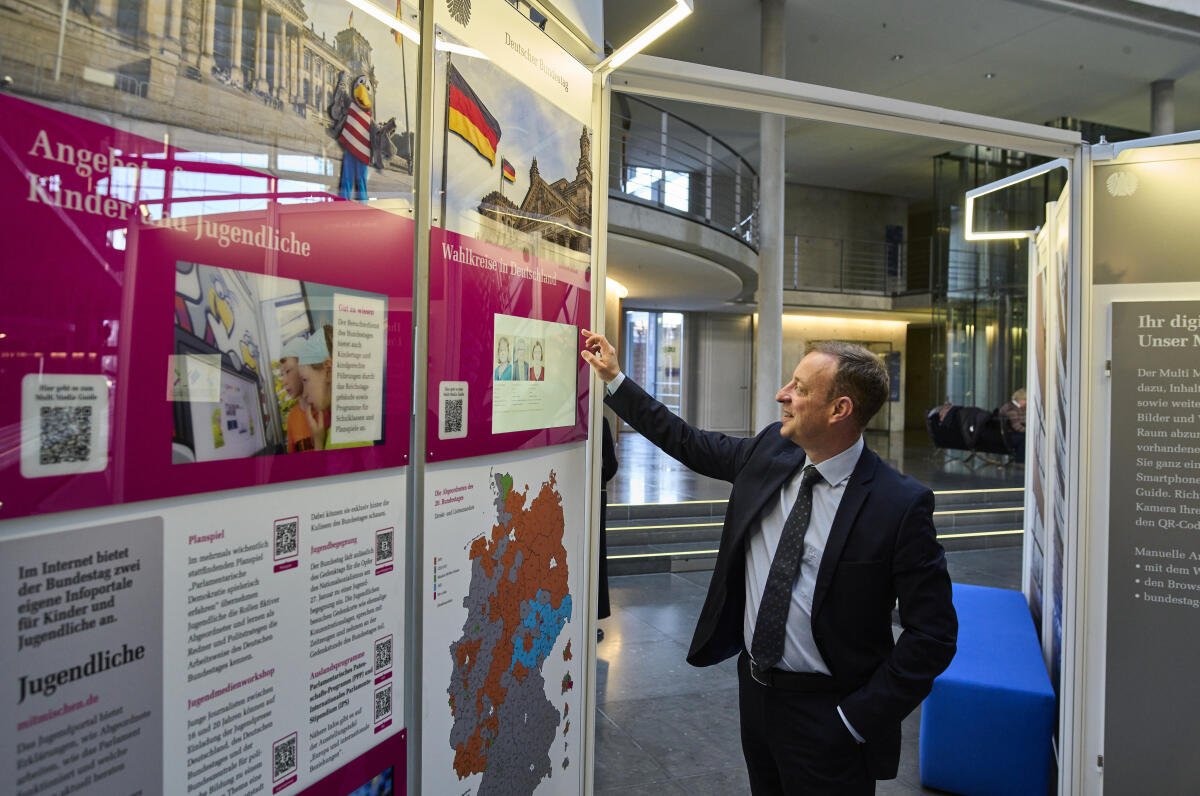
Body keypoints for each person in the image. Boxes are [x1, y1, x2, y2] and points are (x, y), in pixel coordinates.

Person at [580, 329, 957, 794]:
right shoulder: (769, 452)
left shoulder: (899, 505)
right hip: (756, 695)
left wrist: (854, 720)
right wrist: (615, 379)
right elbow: (687, 441)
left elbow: (934, 635)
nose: (783, 394)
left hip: (832, 714)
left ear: (841, 409)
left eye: (799, 388)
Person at [596, 416, 617, 639]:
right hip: (595, 492)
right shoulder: (599, 421)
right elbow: (611, 465)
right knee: (596, 554)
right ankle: (594, 614)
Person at [279, 338, 314, 452]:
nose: (284, 381)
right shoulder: (292, 418)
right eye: (282, 374)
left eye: (288, 371)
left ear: (304, 367)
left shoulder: (326, 410)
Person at [998, 388, 1027, 461]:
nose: (1026, 402)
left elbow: (1023, 419)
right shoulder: (1010, 408)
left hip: (1013, 433)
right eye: (1025, 400)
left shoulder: (1019, 407)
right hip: (1009, 435)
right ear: (1020, 399)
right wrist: (1028, 432)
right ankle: (1020, 461)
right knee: (1025, 438)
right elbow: (1016, 426)